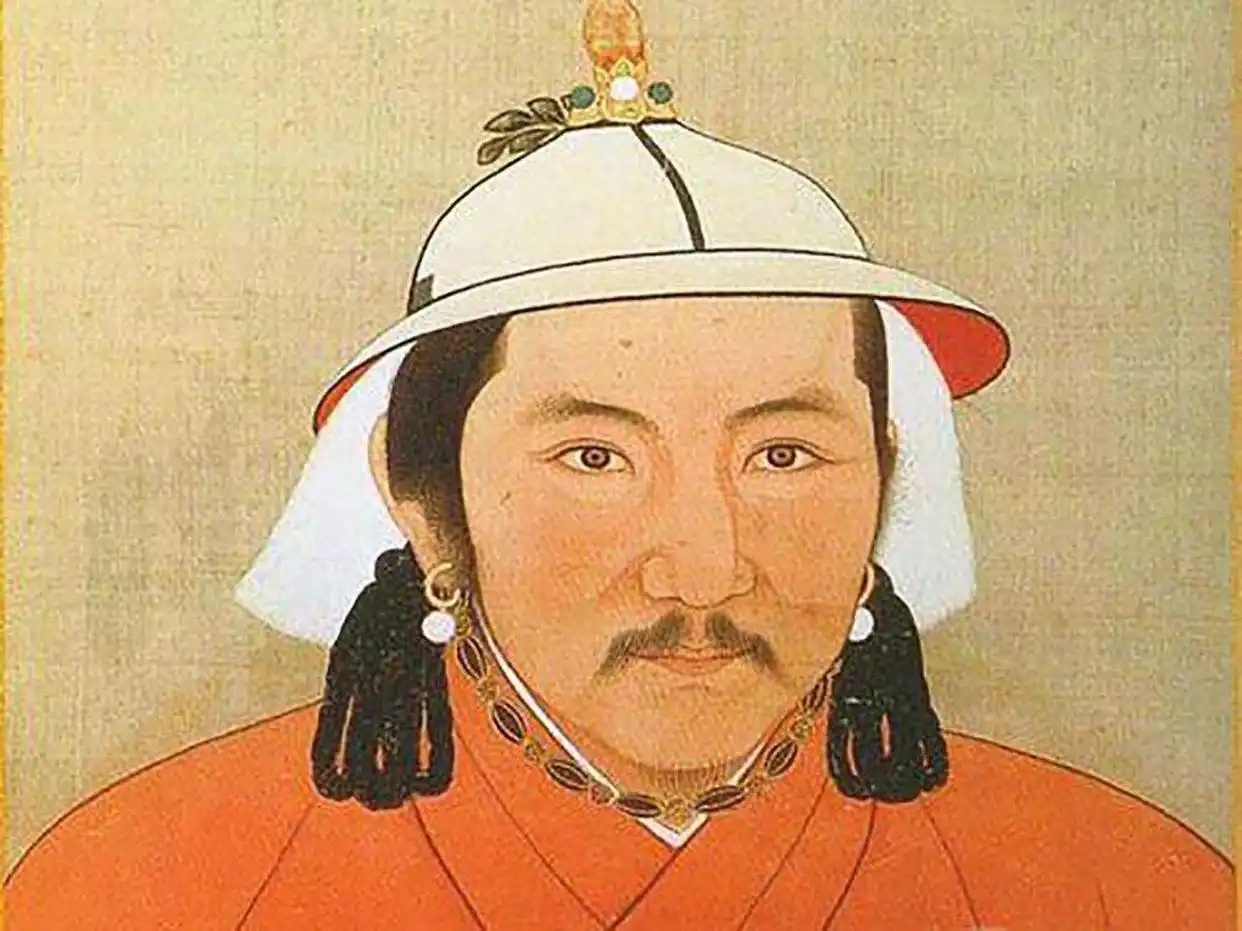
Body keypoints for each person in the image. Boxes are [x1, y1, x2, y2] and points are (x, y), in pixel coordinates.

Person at [6, 2, 1232, 927]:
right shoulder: (142, 882)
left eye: (785, 453)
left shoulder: (1126, 883)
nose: (702, 569)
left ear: (885, 476)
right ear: (422, 495)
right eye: (594, 455)